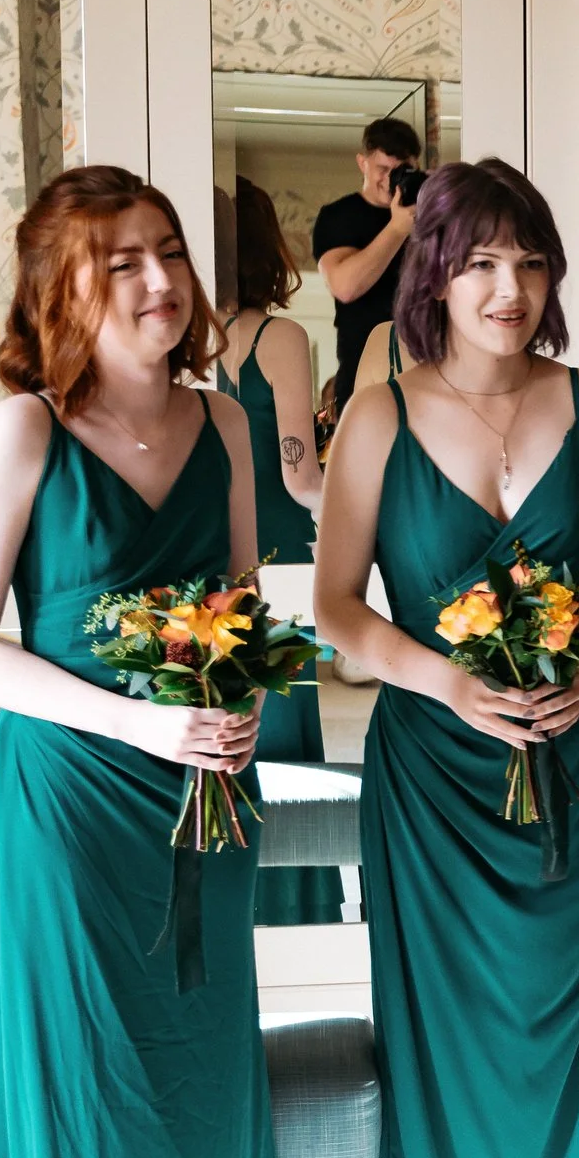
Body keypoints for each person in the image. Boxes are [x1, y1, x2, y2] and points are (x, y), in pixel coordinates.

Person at [0, 166, 294, 1158]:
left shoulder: (228, 421)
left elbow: (240, 607)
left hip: (201, 809)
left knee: (199, 1083)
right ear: (62, 288)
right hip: (71, 814)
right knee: (80, 1095)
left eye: (171, 253)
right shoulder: (23, 428)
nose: (159, 280)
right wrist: (139, 719)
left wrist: (235, 708)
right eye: (122, 260)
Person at [314, 159, 579, 1158]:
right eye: (479, 264)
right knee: (448, 1057)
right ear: (436, 275)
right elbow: (339, 606)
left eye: (528, 262)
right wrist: (450, 684)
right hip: (433, 785)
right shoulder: (379, 412)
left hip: (570, 761)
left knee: (564, 1036)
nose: (508, 288)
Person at [217, 176, 339, 925]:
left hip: (214, 560)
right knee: (286, 744)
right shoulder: (279, 338)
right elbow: (300, 477)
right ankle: (296, 911)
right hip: (279, 561)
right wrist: (363, 510)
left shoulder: (182, 339)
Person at [313, 114, 422, 418]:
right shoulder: (339, 216)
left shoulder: (428, 216)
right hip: (361, 368)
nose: (389, 180)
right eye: (382, 169)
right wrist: (398, 228)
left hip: (424, 365)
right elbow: (345, 287)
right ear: (362, 163)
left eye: (400, 171)